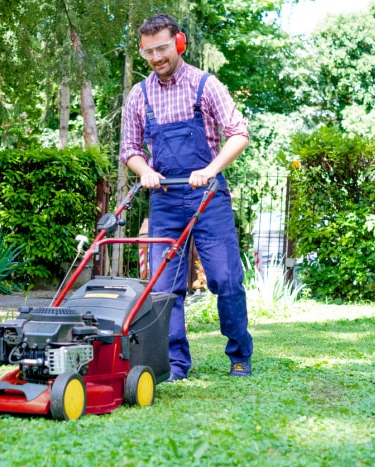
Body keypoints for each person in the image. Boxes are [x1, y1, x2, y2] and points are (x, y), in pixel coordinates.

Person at [120, 13, 253, 380]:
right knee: (165, 288)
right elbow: (130, 148)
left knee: (226, 279)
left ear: (178, 43)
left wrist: (211, 169)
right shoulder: (139, 94)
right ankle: (175, 363)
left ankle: (240, 355)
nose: (156, 58)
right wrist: (145, 171)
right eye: (148, 52)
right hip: (164, 198)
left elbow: (239, 133)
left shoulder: (204, 85)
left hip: (208, 195)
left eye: (162, 48)